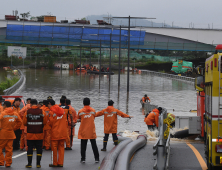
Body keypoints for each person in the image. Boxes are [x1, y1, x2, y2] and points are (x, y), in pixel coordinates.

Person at [23, 99, 47, 168]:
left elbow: (24, 123)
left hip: (30, 134)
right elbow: (45, 122)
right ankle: (38, 164)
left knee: (30, 148)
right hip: (39, 134)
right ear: (36, 104)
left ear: (30, 104)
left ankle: (29, 164)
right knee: (39, 148)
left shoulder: (27, 112)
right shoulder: (42, 111)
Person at [0, 101, 22, 167]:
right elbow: (20, 122)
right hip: (11, 134)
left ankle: (1, 162)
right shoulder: (15, 113)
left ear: (5, 106)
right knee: (9, 149)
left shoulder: (3, 113)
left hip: (3, 134)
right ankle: (8, 163)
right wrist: (14, 128)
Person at [78, 98, 99, 163]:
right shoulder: (93, 110)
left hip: (83, 131)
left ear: (83, 103)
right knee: (94, 145)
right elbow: (94, 117)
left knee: (83, 146)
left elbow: (78, 118)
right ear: (89, 103)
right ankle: (97, 158)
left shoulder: (80, 111)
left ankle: (83, 159)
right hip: (91, 131)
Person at [48, 99, 67, 167]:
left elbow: (51, 123)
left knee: (54, 148)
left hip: (55, 133)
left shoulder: (51, 112)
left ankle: (54, 163)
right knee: (61, 148)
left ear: (50, 104)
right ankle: (61, 162)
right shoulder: (63, 111)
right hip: (62, 132)